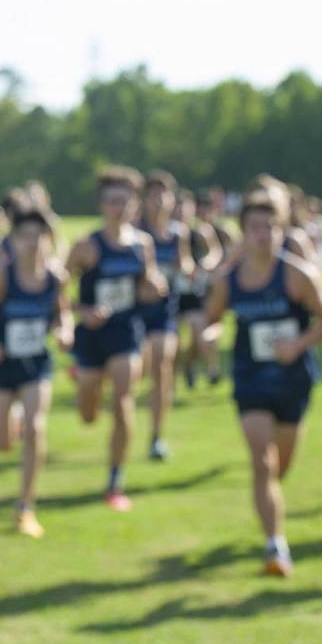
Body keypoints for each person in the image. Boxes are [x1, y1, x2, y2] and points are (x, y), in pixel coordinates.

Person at [204, 190, 322, 576]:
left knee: (280, 466)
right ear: (243, 233)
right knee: (263, 462)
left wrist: (298, 344)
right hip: (250, 379)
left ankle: (269, 508)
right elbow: (212, 317)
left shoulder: (297, 274)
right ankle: (275, 546)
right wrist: (210, 334)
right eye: (255, 228)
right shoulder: (229, 280)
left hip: (293, 381)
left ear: (282, 230)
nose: (264, 235)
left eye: (271, 227)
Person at [66, 166, 168, 511]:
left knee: (124, 401)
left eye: (126, 201)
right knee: (88, 413)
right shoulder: (86, 246)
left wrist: (154, 287)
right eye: (113, 201)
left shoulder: (143, 244)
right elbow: (56, 292)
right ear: (101, 205)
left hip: (127, 331)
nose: (120, 207)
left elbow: (148, 284)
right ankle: (85, 389)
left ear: (135, 205)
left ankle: (115, 478)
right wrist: (82, 311)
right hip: (92, 335)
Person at [0, 207, 73, 538]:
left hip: (36, 364)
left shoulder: (56, 277)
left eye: (39, 236)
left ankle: (25, 507)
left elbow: (62, 313)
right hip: (3, 365)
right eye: (25, 236)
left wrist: (64, 330)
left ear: (48, 240)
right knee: (2, 443)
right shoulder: (0, 276)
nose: (32, 243)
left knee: (36, 427)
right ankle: (11, 415)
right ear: (13, 241)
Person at [138, 171, 194, 461]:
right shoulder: (133, 232)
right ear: (144, 200)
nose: (159, 201)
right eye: (153, 194)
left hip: (164, 315)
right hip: (134, 316)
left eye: (165, 195)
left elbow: (184, 263)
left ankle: (157, 435)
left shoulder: (178, 234)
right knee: (134, 371)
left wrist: (188, 270)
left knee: (162, 364)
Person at [176, 189, 224, 389]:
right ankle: (184, 369)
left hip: (195, 291)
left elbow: (215, 252)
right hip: (171, 294)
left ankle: (211, 369)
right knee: (174, 341)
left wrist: (205, 264)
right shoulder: (165, 234)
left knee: (199, 332)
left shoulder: (201, 231)